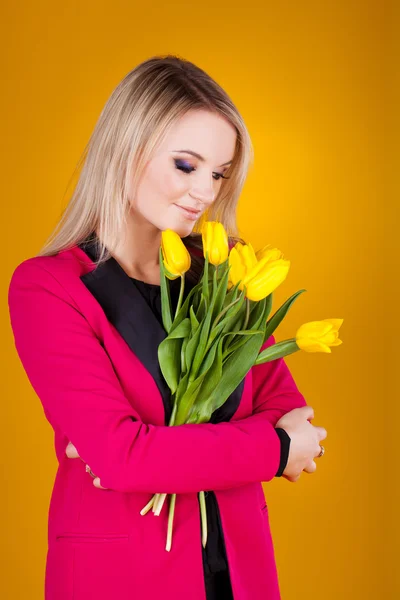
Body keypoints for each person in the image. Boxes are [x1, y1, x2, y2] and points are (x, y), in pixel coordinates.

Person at [8, 55, 327, 600]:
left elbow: (291, 412)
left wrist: (152, 451)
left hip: (239, 568)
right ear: (126, 150)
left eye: (219, 172)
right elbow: (121, 457)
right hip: (120, 574)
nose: (205, 191)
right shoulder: (47, 288)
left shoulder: (227, 274)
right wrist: (272, 450)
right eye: (186, 164)